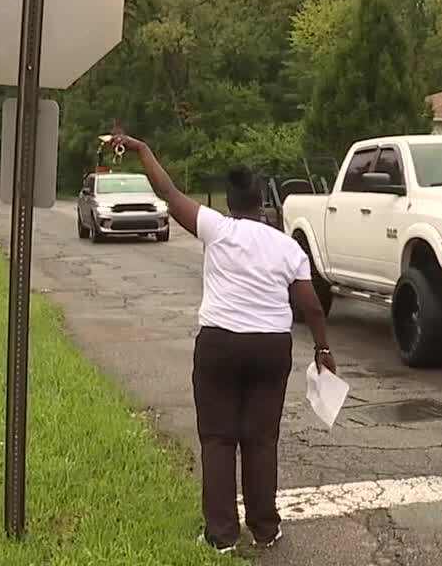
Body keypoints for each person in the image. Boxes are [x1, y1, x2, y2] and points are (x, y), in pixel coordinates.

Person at [108, 131, 336, 554]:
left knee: (217, 439)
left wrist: (143, 149)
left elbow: (168, 191)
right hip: (271, 347)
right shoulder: (287, 247)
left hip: (220, 344)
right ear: (263, 205)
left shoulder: (218, 229)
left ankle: (221, 536)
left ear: (230, 203)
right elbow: (312, 306)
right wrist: (322, 350)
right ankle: (266, 529)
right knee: (261, 439)